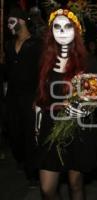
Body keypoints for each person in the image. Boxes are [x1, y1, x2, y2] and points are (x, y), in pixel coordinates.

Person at [35, 9, 97, 200]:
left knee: (75, 184)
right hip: (50, 127)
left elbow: (96, 98)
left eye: (67, 27)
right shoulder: (45, 61)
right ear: (51, 31)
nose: (62, 31)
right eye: (57, 27)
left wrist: (79, 106)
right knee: (47, 189)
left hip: (77, 128)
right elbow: (40, 96)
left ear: (76, 31)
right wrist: (37, 122)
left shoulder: (87, 62)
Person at [4, 6, 42, 185]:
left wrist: (38, 96)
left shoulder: (36, 44)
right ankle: (21, 159)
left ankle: (33, 172)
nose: (8, 26)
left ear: (21, 21)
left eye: (11, 22)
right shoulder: (9, 45)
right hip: (12, 96)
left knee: (29, 134)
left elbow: (42, 73)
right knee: (13, 131)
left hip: (30, 96)